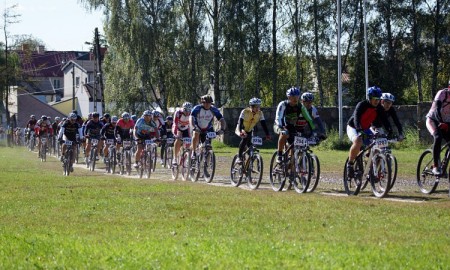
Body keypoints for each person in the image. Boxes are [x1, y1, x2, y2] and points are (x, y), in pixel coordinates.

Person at [346, 86, 391, 177]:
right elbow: (356, 118)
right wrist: (359, 130)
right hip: (353, 127)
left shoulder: (379, 108)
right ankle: (350, 164)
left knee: (378, 145)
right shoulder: (362, 105)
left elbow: (385, 121)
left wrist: (390, 131)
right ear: (369, 98)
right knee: (358, 140)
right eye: (375, 99)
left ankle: (370, 170)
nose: (377, 101)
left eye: (378, 99)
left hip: (366, 129)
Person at [274, 87, 316, 163]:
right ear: (289, 97)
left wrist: (313, 131)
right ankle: (279, 155)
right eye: (293, 97)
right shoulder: (283, 104)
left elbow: (309, 119)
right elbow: (278, 117)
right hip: (279, 125)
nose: (295, 99)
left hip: (291, 127)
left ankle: (291, 167)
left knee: (294, 147)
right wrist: (280, 127)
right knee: (284, 134)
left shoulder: (300, 106)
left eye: (297, 97)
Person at [234, 97, 271, 163]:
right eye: (256, 107)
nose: (258, 108)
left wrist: (267, 134)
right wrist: (240, 132)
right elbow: (240, 123)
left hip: (249, 130)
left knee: (250, 146)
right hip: (241, 128)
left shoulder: (260, 113)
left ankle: (248, 166)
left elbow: (263, 124)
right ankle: (239, 157)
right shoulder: (245, 111)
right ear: (251, 106)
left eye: (259, 106)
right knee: (245, 138)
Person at [425, 85, 450, 175]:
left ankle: (443, 165)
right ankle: (436, 166)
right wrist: (441, 122)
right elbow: (437, 109)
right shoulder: (442, 93)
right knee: (438, 137)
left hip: (446, 123)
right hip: (433, 120)